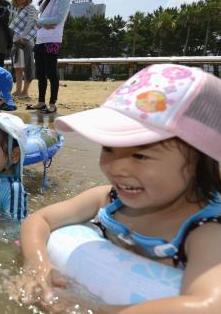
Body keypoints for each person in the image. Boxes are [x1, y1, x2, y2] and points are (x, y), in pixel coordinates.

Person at [13, 63, 221, 313]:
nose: (115, 167)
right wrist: (37, 264)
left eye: (140, 156)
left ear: (204, 159)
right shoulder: (109, 199)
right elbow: (39, 219)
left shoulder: (206, 231)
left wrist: (88, 309)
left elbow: (208, 305)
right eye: (108, 148)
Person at [26, 0, 71, 114]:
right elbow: (41, 20)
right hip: (41, 38)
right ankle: (41, 101)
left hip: (53, 38)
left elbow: (58, 18)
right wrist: (43, 22)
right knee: (40, 71)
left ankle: (52, 103)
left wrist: (41, 21)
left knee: (51, 71)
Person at [9, 0, 38, 99]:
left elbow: (31, 22)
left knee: (27, 66)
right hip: (16, 42)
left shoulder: (31, 8)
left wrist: (23, 36)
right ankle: (18, 90)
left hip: (26, 41)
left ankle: (25, 92)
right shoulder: (18, 11)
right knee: (18, 66)